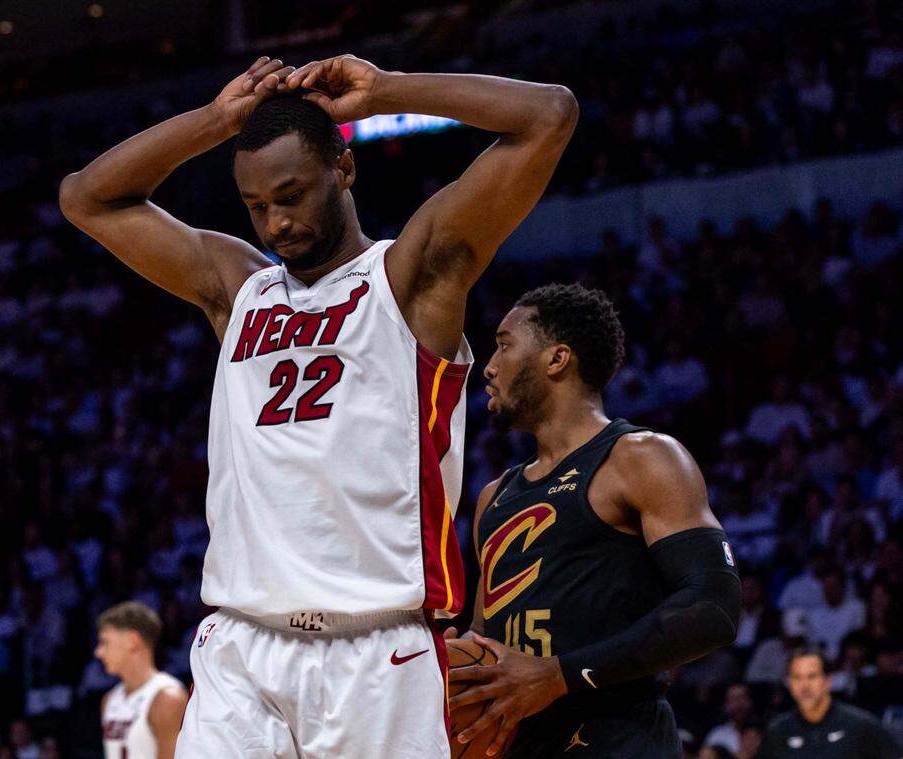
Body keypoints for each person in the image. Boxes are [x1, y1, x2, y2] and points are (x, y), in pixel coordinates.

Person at [60, 52, 577, 758]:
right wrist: (215, 121)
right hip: (241, 642)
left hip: (377, 648)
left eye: (291, 195)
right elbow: (86, 197)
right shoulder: (237, 287)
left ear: (344, 168)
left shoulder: (408, 279)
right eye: (256, 207)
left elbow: (549, 114)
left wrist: (386, 92)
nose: (276, 223)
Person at [449, 284, 741, 757]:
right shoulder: (492, 496)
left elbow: (715, 606)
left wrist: (560, 675)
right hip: (518, 744)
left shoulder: (641, 457)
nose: (489, 365)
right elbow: (488, 637)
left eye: (504, 344)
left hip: (618, 738)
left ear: (557, 359)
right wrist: (453, 664)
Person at [758, 648, 900, 758]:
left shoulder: (859, 725)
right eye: (797, 677)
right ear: (789, 683)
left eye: (812, 676)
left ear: (827, 681)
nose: (804, 686)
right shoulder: (777, 731)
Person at [95, 602, 187, 759]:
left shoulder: (168, 698)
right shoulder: (109, 700)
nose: (98, 652)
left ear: (132, 641)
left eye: (105, 642)